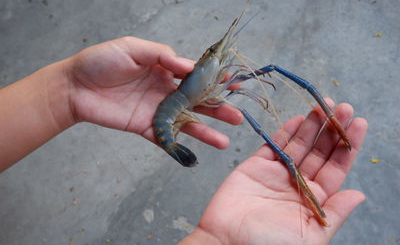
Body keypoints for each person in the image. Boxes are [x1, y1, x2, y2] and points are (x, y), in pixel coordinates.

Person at [0, 37, 367, 244]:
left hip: (179, 106)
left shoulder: (211, 79)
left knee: (260, 82)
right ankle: (296, 155)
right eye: (211, 54)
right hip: (169, 117)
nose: (217, 55)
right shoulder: (182, 102)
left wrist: (70, 88)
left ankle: (313, 130)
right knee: (260, 94)